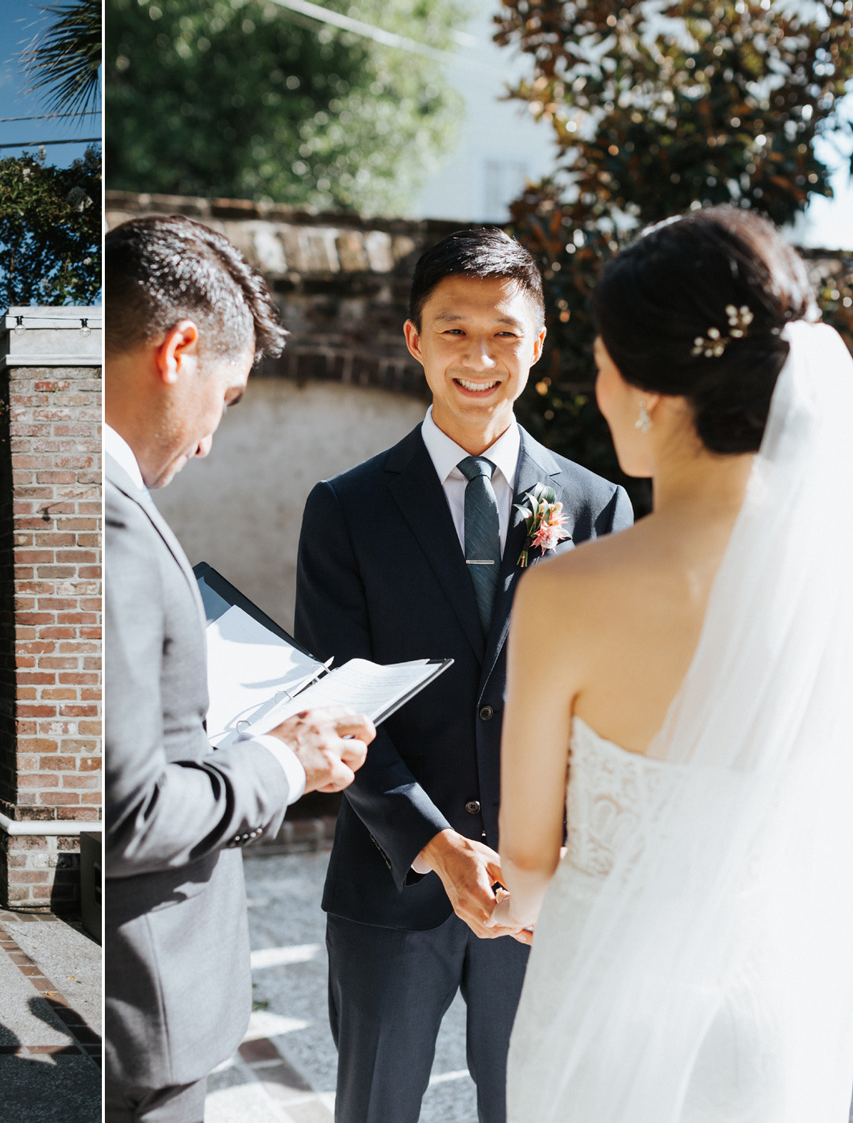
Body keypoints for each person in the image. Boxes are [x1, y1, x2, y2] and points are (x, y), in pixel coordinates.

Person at [495, 207, 853, 1121]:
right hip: (779, 1019)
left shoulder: (571, 594)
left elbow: (528, 858)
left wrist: (516, 902)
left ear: (647, 389)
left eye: (603, 362)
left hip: (603, 1017)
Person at [293, 228, 632, 1123]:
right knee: (376, 1108)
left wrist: (557, 851)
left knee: (530, 1105)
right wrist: (437, 846)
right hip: (391, 876)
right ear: (412, 339)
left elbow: (608, 708)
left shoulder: (595, 505)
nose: (480, 358)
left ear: (540, 343)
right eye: (454, 332)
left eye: (504, 334)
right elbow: (332, 703)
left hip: (545, 889)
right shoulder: (345, 508)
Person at [105, 213, 375, 1123]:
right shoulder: (110, 522)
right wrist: (283, 765)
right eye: (228, 396)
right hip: (146, 1012)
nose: (213, 436)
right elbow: (128, 811)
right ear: (180, 349)